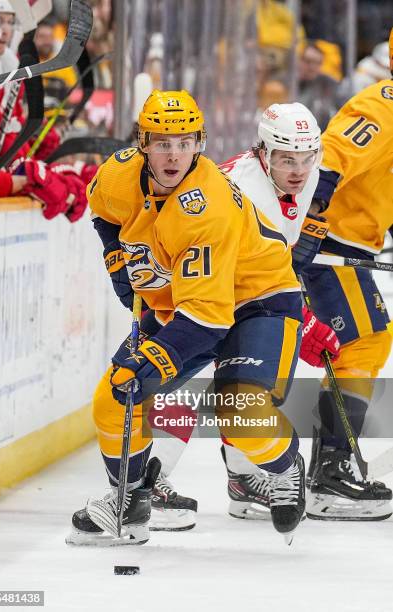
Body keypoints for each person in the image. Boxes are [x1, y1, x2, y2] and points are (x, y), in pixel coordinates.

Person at [67, 90, 307, 547]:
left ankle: (285, 467)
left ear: (200, 143)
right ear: (142, 142)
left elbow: (208, 318)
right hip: (186, 303)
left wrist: (153, 358)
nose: (173, 154)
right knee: (114, 398)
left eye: (184, 142)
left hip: (259, 300)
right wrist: (118, 256)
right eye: (162, 142)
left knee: (240, 414)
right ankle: (129, 504)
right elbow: (104, 213)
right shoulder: (118, 174)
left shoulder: (205, 208)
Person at [147, 103, 341, 526]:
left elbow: (278, 248)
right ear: (264, 152)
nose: (298, 170)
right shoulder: (242, 186)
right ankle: (150, 479)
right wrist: (304, 316)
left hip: (245, 290)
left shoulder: (306, 171)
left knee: (248, 387)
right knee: (185, 379)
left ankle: (245, 477)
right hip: (197, 286)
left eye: (307, 158)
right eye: (287, 158)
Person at [301, 28, 393, 521]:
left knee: (364, 343)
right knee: (365, 342)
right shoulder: (384, 102)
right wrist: (310, 224)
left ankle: (323, 470)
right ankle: (330, 475)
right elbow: (328, 158)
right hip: (329, 245)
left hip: (347, 243)